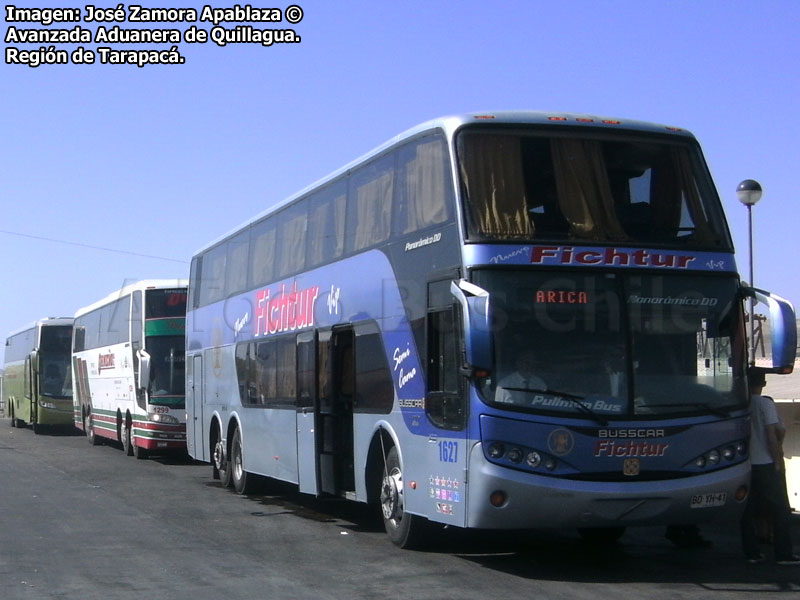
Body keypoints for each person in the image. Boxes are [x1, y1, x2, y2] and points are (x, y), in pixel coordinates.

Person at [740, 368, 800, 565]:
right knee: (780, 510)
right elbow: (772, 435)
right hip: (765, 462)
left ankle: (752, 552)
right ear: (763, 383)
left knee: (748, 510)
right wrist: (776, 460)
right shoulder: (765, 403)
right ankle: (783, 553)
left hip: (745, 464)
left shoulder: (740, 403)